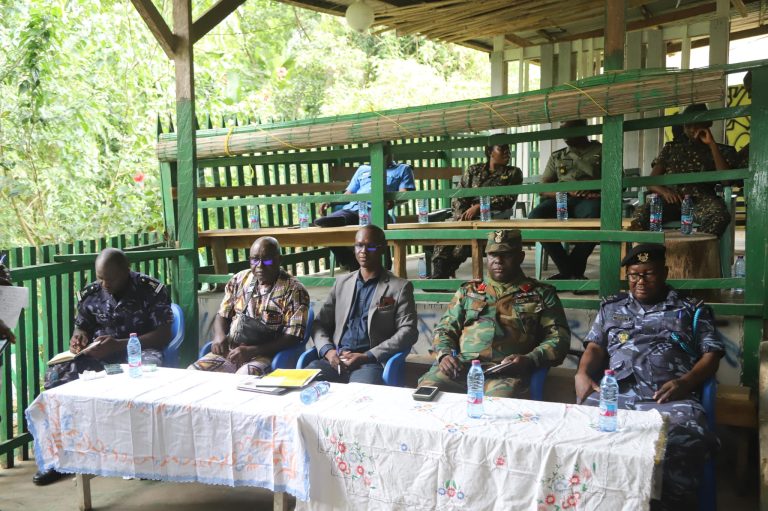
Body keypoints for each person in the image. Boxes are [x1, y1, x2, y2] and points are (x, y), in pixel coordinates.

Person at [575, 243, 723, 511]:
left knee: (681, 443)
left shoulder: (690, 308)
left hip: (669, 397)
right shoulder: (612, 307)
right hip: (615, 394)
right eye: (634, 275)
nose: (640, 281)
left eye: (649, 273)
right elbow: (595, 346)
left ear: (665, 272)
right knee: (579, 435)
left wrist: (687, 382)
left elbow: (711, 353)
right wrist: (582, 373)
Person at [36, 248, 174, 486]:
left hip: (140, 350)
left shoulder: (150, 290)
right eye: (100, 278)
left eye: (110, 279)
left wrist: (120, 344)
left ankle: (144, 457)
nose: (104, 284)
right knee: (57, 377)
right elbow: (83, 326)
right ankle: (61, 458)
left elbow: (163, 335)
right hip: (100, 353)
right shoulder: (91, 293)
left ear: (126, 270)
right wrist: (78, 338)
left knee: (146, 378)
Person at [418, 229, 571, 397]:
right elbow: (444, 329)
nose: (498, 261)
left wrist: (530, 359)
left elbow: (559, 338)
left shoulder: (541, 294)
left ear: (520, 257)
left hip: (505, 373)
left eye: (506, 255)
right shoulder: (468, 291)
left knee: (497, 408)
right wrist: (444, 355)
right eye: (492, 255)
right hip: (461, 368)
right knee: (426, 394)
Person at [308, 225, 418, 384]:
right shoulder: (342, 283)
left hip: (370, 362)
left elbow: (408, 331)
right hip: (336, 358)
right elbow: (319, 323)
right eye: (359, 245)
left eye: (371, 246)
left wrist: (368, 356)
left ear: (382, 249)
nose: (363, 251)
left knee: (360, 397)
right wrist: (328, 351)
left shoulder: (399, 287)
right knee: (307, 384)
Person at [189, 237, 310, 375]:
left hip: (267, 354)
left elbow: (293, 337)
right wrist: (219, 336)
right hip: (232, 350)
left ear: (279, 260)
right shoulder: (239, 280)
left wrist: (252, 351)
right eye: (254, 260)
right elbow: (223, 314)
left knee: (243, 378)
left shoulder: (294, 290)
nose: (260, 266)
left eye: (267, 260)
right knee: (193, 373)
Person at [630, 103, 738, 237]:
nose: (692, 129)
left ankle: (698, 248)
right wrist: (664, 191)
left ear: (707, 124)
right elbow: (651, 181)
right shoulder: (671, 148)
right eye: (688, 125)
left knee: (719, 215)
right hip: (672, 201)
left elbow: (726, 181)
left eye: (697, 124)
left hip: (701, 201)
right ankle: (646, 254)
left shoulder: (721, 150)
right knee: (640, 214)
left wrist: (712, 144)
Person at [315, 142, 415, 270]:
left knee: (373, 232)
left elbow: (404, 194)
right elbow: (348, 194)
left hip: (377, 209)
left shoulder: (403, 169)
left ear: (391, 152)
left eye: (385, 150)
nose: (382, 153)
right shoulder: (362, 169)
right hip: (353, 208)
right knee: (322, 224)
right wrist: (331, 202)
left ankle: (383, 264)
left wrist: (393, 202)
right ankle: (350, 261)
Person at [431, 144, 523, 278]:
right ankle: (439, 273)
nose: (507, 152)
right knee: (447, 234)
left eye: (508, 149)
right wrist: (461, 215)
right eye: (502, 149)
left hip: (493, 217)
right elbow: (460, 194)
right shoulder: (474, 170)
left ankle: (444, 272)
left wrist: (479, 207)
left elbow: (508, 199)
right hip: (466, 216)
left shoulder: (513, 172)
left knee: (464, 242)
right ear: (490, 152)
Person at [528, 119, 602, 280]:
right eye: (562, 132)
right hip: (562, 199)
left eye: (569, 131)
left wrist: (594, 188)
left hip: (590, 200)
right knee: (535, 217)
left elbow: (618, 182)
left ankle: (570, 270)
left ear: (583, 130)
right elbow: (544, 188)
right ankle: (570, 270)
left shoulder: (602, 150)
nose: (565, 136)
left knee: (595, 215)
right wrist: (568, 191)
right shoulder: (558, 156)